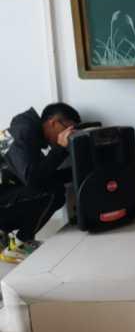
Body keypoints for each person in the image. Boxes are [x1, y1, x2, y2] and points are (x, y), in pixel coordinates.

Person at [0, 103, 80, 262]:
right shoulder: (23, 134)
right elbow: (34, 180)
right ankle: (19, 245)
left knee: (50, 187)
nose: (68, 136)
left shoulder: (27, 134)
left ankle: (4, 236)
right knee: (53, 192)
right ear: (54, 123)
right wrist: (59, 149)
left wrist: (78, 170)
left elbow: (43, 175)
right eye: (67, 130)